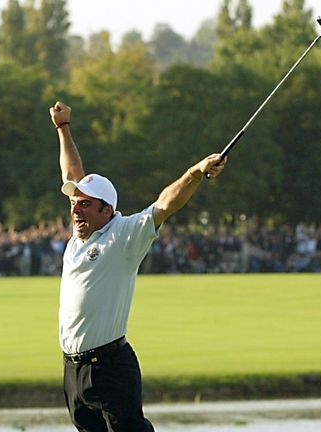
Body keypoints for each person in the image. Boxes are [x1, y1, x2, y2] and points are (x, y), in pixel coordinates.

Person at [49, 101, 226, 431]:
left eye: (85, 204)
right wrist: (63, 128)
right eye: (74, 203)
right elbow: (71, 173)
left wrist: (196, 171)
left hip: (109, 367)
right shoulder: (78, 236)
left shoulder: (123, 235)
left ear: (107, 210)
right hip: (73, 371)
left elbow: (165, 205)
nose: (76, 210)